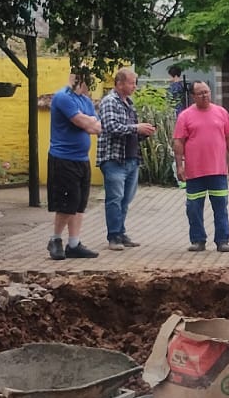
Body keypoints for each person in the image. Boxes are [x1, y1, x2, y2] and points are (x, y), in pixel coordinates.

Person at [173, 80, 229, 252]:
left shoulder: (221, 112)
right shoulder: (185, 116)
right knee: (194, 208)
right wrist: (179, 166)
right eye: (200, 93)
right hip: (194, 172)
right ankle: (198, 240)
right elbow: (178, 142)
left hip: (217, 170)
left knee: (220, 206)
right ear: (193, 96)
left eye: (207, 92)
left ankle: (222, 240)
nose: (205, 96)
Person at [97, 67, 157, 251]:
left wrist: (143, 133)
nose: (134, 87)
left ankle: (121, 233)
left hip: (131, 158)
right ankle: (113, 236)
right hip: (114, 159)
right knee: (115, 199)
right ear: (119, 83)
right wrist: (136, 128)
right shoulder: (109, 101)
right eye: (131, 83)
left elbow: (130, 131)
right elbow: (111, 127)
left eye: (135, 83)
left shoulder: (129, 103)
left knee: (125, 199)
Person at [48, 70, 104, 260]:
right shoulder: (63, 97)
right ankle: (55, 239)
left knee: (79, 203)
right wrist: (89, 121)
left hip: (82, 159)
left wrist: (89, 121)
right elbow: (82, 122)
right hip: (63, 158)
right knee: (67, 203)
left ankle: (74, 243)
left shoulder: (86, 101)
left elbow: (97, 127)